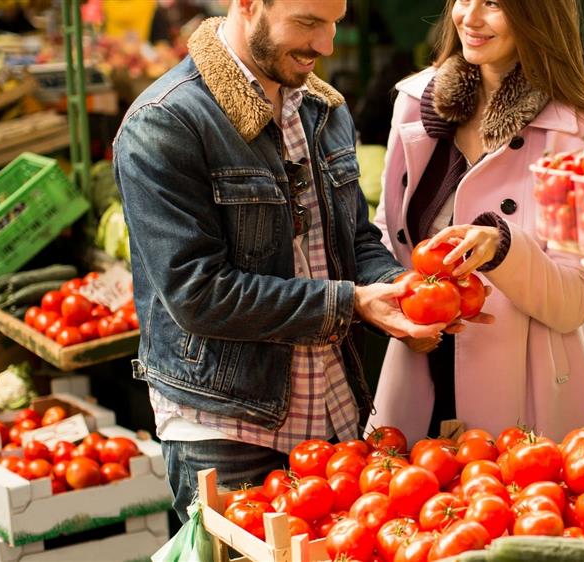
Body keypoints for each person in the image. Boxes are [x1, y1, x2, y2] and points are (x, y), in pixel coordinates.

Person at [112, 0, 445, 522]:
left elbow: (354, 238)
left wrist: (399, 290)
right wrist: (352, 303)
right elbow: (198, 294)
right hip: (227, 428)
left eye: (334, 23)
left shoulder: (323, 110)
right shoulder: (166, 123)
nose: (327, 45)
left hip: (335, 409)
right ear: (247, 6)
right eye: (309, 23)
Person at [368, 0, 584, 442]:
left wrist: (503, 247)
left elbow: (577, 300)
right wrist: (401, 300)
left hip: (526, 397)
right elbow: (386, 235)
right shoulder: (415, 104)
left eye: (493, 3)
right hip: (418, 374)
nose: (469, 17)